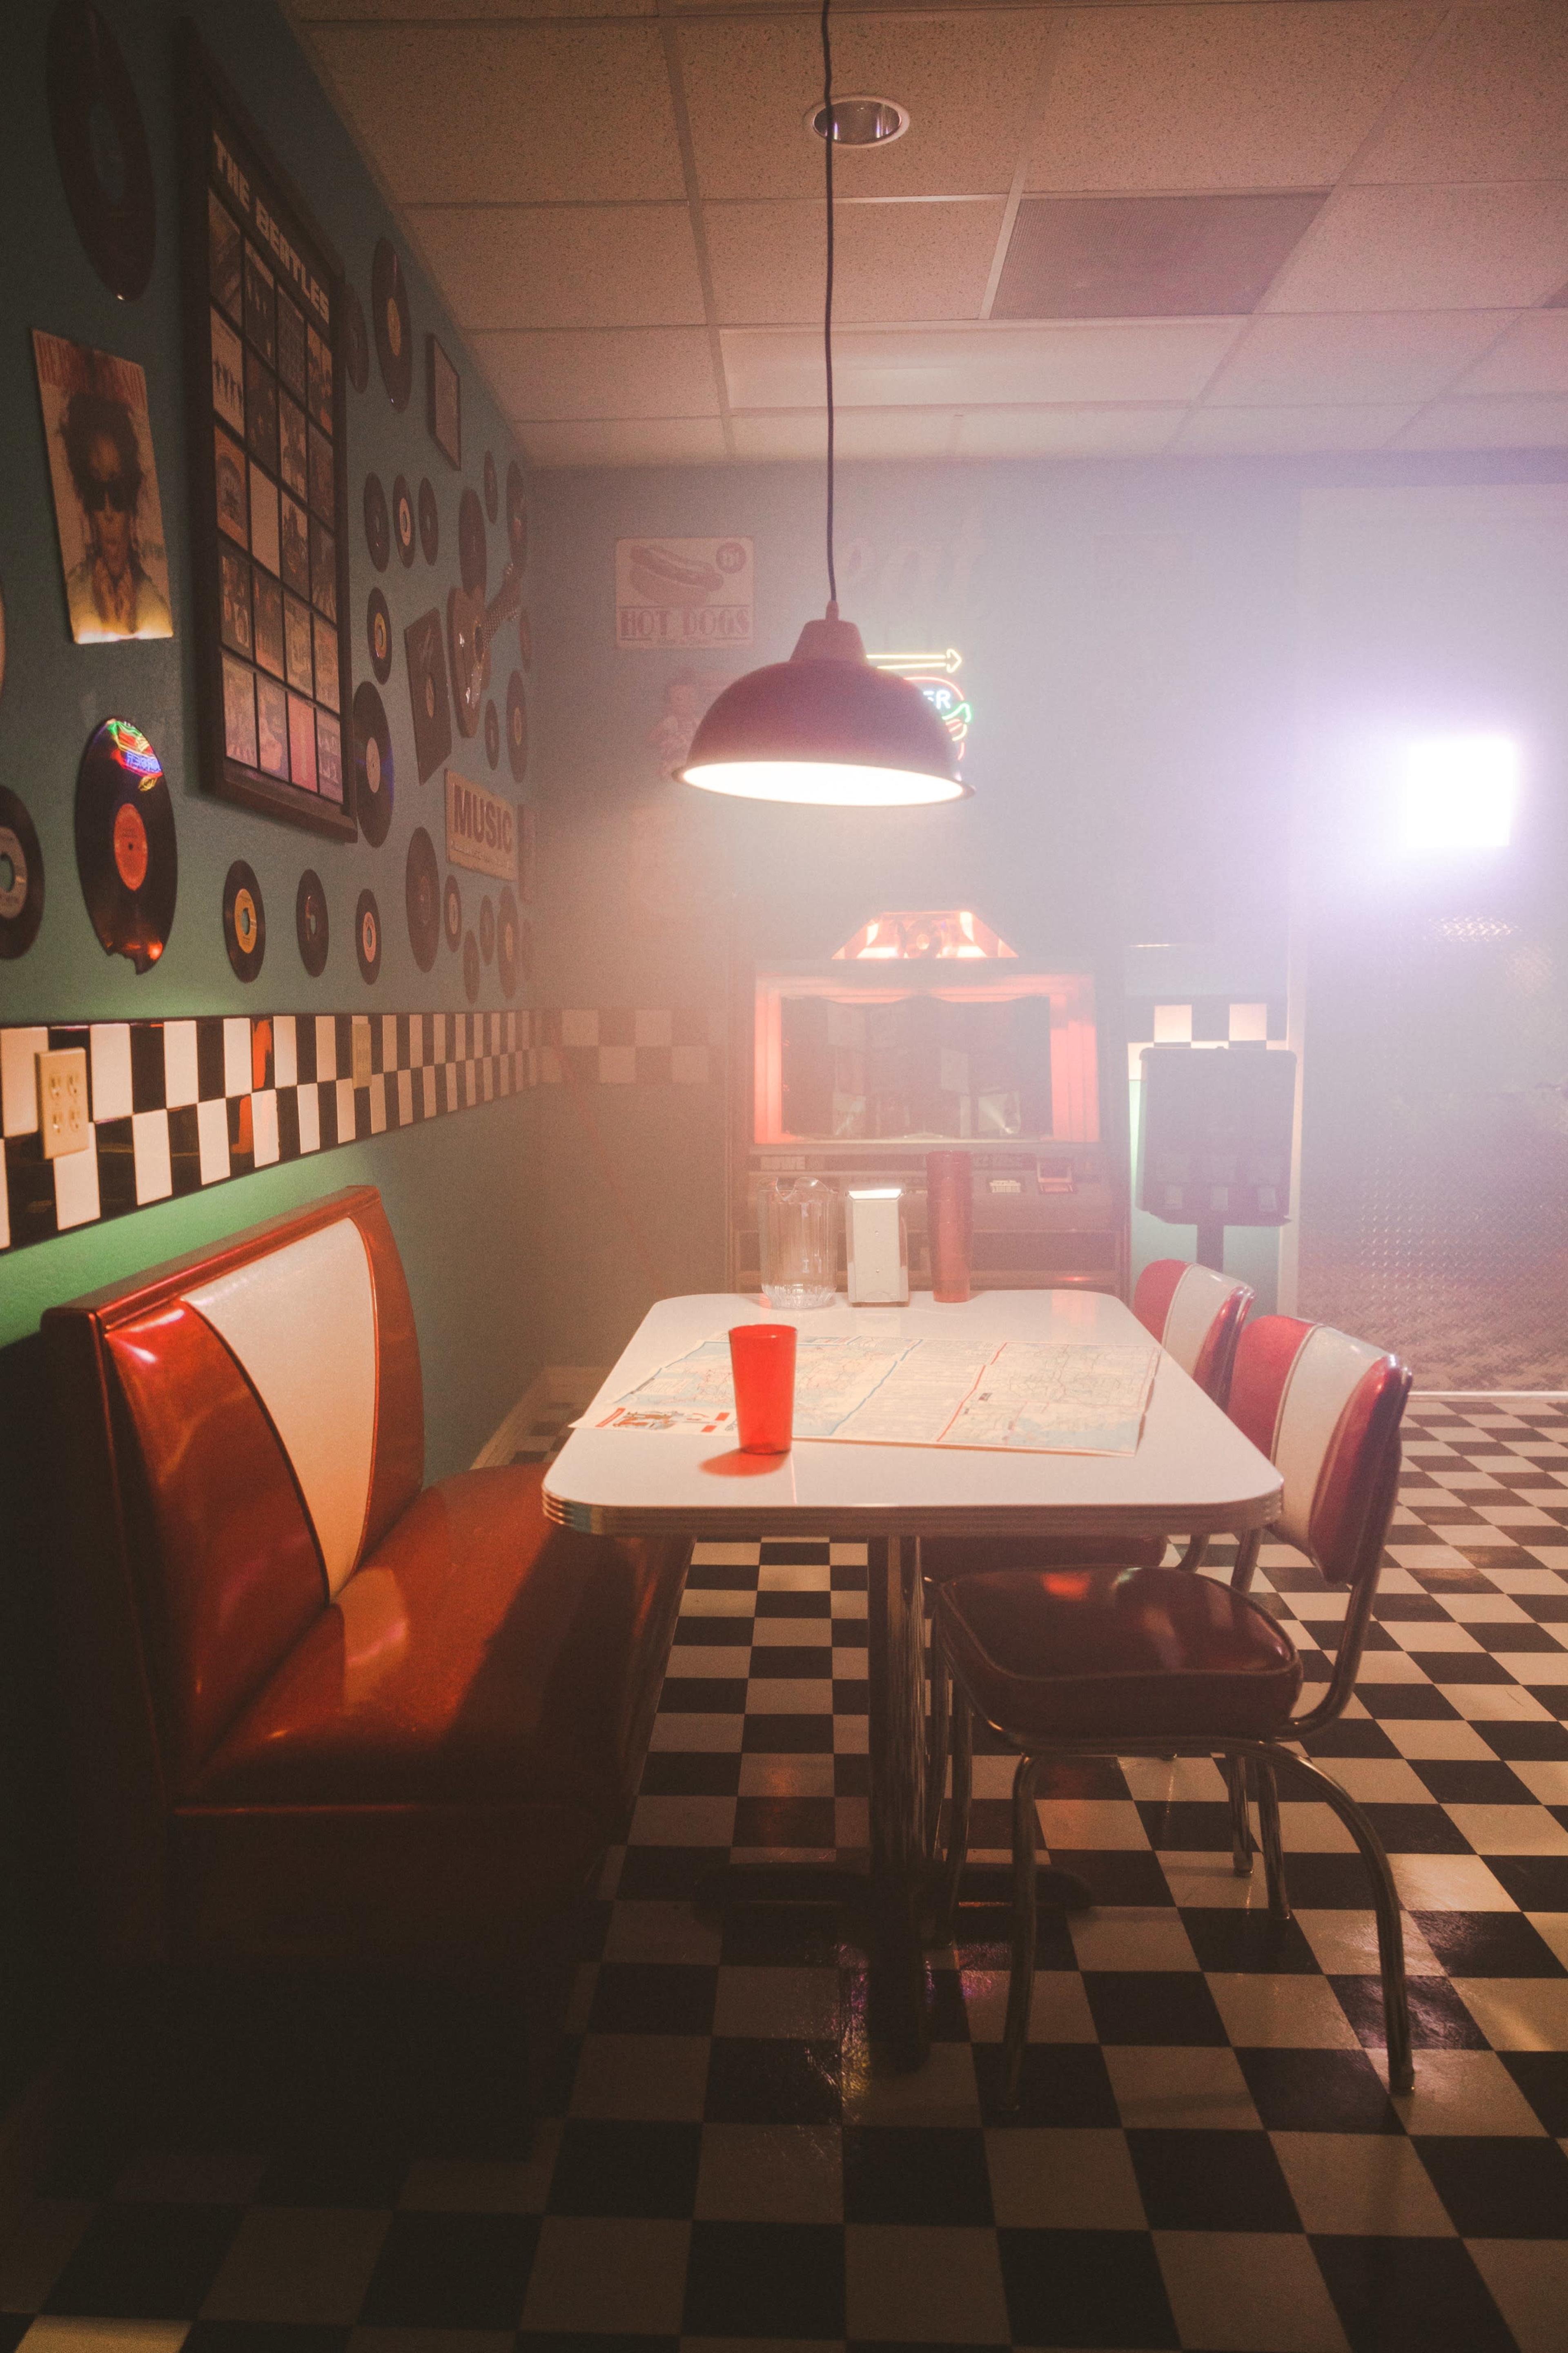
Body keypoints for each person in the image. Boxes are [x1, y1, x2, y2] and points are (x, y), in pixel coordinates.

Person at [59, 390, 172, 640]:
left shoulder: (156, 611)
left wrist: (121, 625)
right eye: (98, 493)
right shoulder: (73, 598)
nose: (108, 512)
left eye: (118, 492)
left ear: (132, 498)